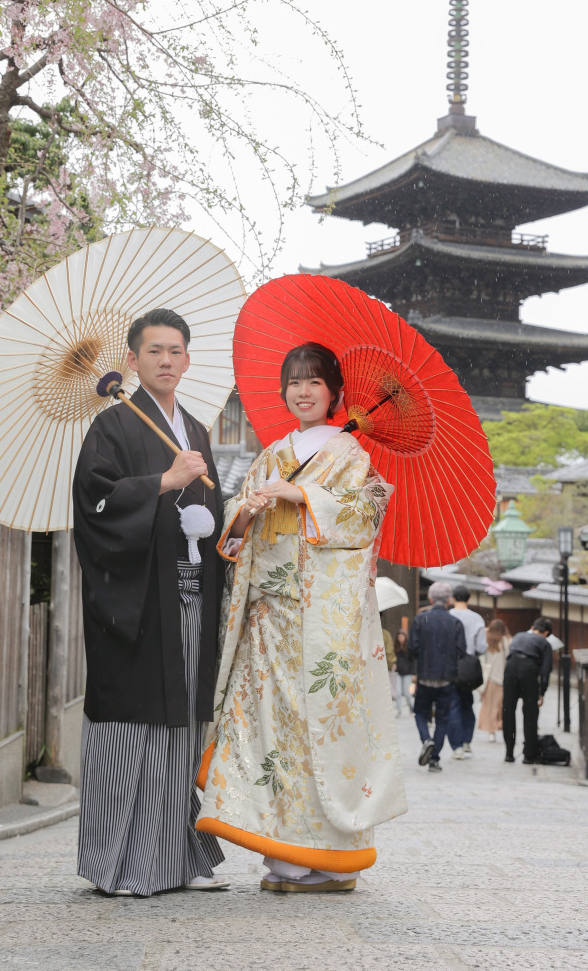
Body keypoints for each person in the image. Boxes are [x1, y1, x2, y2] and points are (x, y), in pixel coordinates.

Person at [196, 343, 407, 892]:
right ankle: (280, 843)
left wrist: (305, 494)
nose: (304, 391)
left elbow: (365, 516)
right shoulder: (271, 453)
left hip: (318, 621)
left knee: (318, 731)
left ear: (335, 393)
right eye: (294, 382)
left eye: (315, 382)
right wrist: (246, 511)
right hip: (268, 618)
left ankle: (324, 852)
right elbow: (233, 536)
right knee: (267, 729)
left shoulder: (350, 455)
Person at [72, 307, 227, 896]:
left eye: (176, 351)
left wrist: (225, 526)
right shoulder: (112, 427)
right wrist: (161, 483)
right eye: (155, 351)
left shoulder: (197, 431)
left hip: (191, 597)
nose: (167, 360)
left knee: (181, 731)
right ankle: (120, 865)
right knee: (132, 729)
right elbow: (94, 505)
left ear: (187, 360)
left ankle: (178, 861)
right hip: (137, 607)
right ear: (132, 360)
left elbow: (208, 519)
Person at [408, 581, 466, 771]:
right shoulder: (455, 623)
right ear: (449, 600)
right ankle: (434, 758)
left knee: (420, 713)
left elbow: (413, 648)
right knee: (442, 718)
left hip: (425, 675)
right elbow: (462, 651)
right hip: (446, 677)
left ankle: (426, 740)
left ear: (431, 599)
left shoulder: (420, 620)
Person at [502, 617, 553, 765]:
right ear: (546, 632)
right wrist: (542, 691)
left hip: (511, 668)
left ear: (532, 627)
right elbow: (546, 670)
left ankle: (509, 753)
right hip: (530, 669)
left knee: (509, 711)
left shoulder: (518, 636)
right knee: (530, 713)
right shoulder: (545, 643)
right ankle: (528, 755)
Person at [451, 586, 487, 755]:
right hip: (469, 666)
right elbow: (481, 647)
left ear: (453, 598)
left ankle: (456, 745)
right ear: (468, 598)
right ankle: (466, 740)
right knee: (467, 703)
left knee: (454, 704)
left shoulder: (448, 616)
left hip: (451, 665)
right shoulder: (477, 618)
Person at [478, 619, 511, 741]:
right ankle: (493, 728)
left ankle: (492, 729)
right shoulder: (506, 641)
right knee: (496, 706)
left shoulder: (486, 639)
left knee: (491, 706)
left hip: (491, 678)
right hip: (497, 677)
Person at [394, 630, 416, 716]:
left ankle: (411, 706)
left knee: (407, 692)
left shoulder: (409, 647)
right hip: (398, 672)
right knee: (398, 692)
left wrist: (413, 672)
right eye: (399, 637)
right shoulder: (395, 647)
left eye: (402, 636)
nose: (400, 638)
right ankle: (399, 710)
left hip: (407, 672)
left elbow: (413, 661)